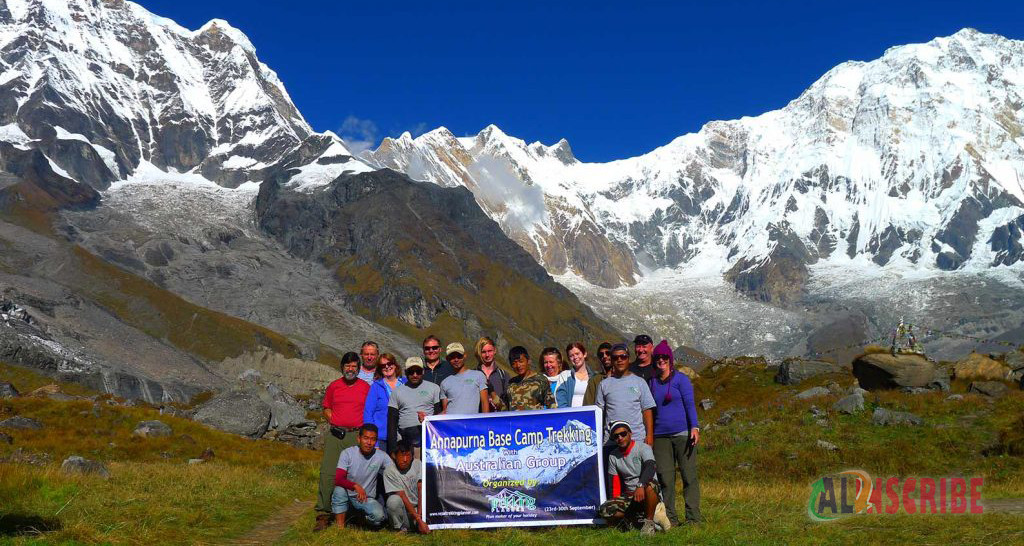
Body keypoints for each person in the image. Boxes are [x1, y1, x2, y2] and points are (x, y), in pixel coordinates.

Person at [314, 352, 371, 532]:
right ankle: (323, 514)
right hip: (336, 436)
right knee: (328, 473)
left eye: (354, 366)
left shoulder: (365, 387)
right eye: (347, 366)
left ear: (358, 368)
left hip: (356, 436)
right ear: (342, 367)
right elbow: (326, 408)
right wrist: (334, 420)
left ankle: (356, 513)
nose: (350, 369)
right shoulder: (334, 386)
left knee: (356, 474)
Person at [648, 340, 701, 526]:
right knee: (665, 478)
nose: (661, 360)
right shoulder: (652, 383)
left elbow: (690, 405)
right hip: (660, 436)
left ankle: (693, 518)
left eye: (664, 357)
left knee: (689, 475)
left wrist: (694, 427)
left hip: (683, 434)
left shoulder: (681, 380)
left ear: (670, 359)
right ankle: (670, 518)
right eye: (658, 358)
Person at [597, 421, 670, 534]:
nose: (620, 438)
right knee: (605, 510)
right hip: (630, 496)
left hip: (647, 491)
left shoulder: (643, 448)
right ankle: (635, 520)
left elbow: (651, 466)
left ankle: (649, 523)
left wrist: (640, 485)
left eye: (623, 434)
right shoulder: (613, 456)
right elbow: (614, 484)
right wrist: (615, 502)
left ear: (630, 433)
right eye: (616, 436)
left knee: (650, 484)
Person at [332, 424, 392, 529]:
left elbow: (394, 472)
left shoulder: (381, 456)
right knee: (339, 490)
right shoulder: (347, 453)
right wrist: (355, 486)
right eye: (366, 438)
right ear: (359, 439)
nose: (369, 443)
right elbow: (338, 479)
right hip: (348, 495)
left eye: (373, 439)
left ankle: (359, 519)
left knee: (379, 517)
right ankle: (340, 527)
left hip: (366, 498)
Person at [595, 343, 655, 446]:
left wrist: (649, 435)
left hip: (636, 440)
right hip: (611, 441)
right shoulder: (604, 384)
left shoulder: (640, 382)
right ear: (612, 360)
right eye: (615, 357)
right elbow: (598, 413)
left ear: (628, 359)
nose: (619, 360)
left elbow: (647, 409)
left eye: (623, 356)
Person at [387, 357, 442, 455]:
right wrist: (392, 449)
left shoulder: (434, 388)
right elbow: (392, 423)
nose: (415, 375)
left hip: (429, 439)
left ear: (423, 371)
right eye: (411, 372)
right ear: (406, 372)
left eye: (418, 371)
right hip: (405, 441)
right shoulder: (396, 392)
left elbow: (439, 416)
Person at [384, 440, 430, 534]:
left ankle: (420, 526)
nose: (405, 459)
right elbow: (401, 495)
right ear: (394, 456)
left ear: (412, 456)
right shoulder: (389, 471)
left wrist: (420, 517)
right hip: (405, 513)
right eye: (401, 455)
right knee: (393, 501)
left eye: (408, 455)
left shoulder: (417, 464)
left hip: (419, 509)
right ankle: (400, 528)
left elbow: (420, 488)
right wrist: (418, 519)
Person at [363, 353, 406, 450]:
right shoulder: (376, 387)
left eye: (389, 363)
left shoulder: (406, 383)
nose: (387, 367)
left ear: (395, 364)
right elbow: (368, 413)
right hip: (382, 438)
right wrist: (374, 440)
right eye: (383, 365)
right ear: (380, 369)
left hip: (403, 436)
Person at [440, 342, 489, 415]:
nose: (456, 359)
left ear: (465, 356)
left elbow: (485, 402)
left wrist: (486, 423)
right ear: (448, 359)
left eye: (459, 356)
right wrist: (427, 418)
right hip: (452, 425)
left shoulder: (478, 375)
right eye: (452, 357)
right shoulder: (444, 383)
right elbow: (445, 411)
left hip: (471, 424)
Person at [506, 346, 556, 411]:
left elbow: (551, 406)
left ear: (528, 361)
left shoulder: (541, 380)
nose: (518, 366)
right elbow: (505, 409)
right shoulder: (511, 383)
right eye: (514, 363)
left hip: (535, 421)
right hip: (515, 421)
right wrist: (492, 393)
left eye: (521, 361)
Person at [556, 342, 596, 408]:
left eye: (577, 354)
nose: (575, 357)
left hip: (589, 416)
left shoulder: (594, 377)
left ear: (584, 354)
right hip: (570, 416)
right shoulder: (565, 376)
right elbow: (560, 398)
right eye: (571, 356)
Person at [475, 337, 509, 412]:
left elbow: (508, 403)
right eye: (483, 352)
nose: (487, 355)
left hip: (498, 419)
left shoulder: (503, 375)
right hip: (479, 420)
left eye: (490, 351)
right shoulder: (473, 374)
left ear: (495, 351)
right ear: (479, 353)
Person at [583, 341, 614, 406]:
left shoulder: (622, 377)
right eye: (601, 355)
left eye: (608, 353)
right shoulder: (595, 380)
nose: (604, 356)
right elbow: (588, 405)